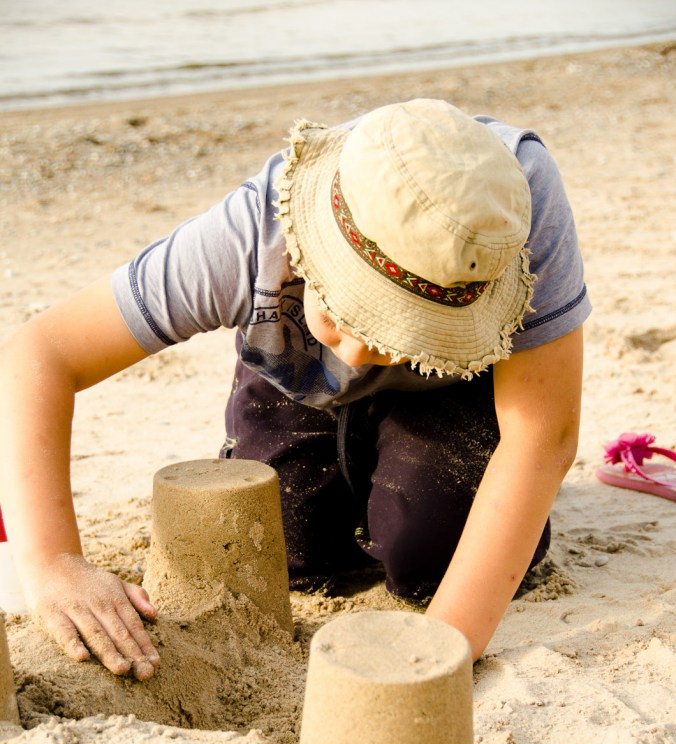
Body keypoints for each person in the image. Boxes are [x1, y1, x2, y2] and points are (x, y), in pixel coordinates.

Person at [0, 98, 590, 680]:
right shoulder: (253, 229)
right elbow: (38, 354)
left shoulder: (515, 214)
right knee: (286, 551)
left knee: (426, 556)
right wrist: (53, 562)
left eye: (390, 332)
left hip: (445, 383)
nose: (357, 356)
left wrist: (443, 648)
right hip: (294, 367)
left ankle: (407, 446)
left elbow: (542, 437)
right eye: (345, 314)